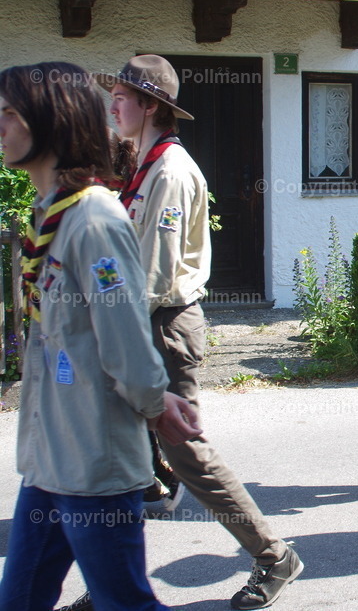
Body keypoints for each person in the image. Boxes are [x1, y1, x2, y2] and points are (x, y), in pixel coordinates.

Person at [91, 55, 303, 611]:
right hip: (143, 324)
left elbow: (154, 275)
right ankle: (113, 583)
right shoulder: (142, 165)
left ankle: (275, 556)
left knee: (189, 455)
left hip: (161, 327)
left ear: (152, 106)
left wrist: (114, 334)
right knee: (117, 460)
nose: (113, 103)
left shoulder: (169, 170)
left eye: (123, 95)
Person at [0, 61, 202, 611]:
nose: (1, 126)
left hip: (93, 460)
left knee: (124, 603)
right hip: (48, 457)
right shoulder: (52, 214)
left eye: (11, 113)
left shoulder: (94, 220)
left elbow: (126, 338)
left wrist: (153, 400)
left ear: (51, 121)